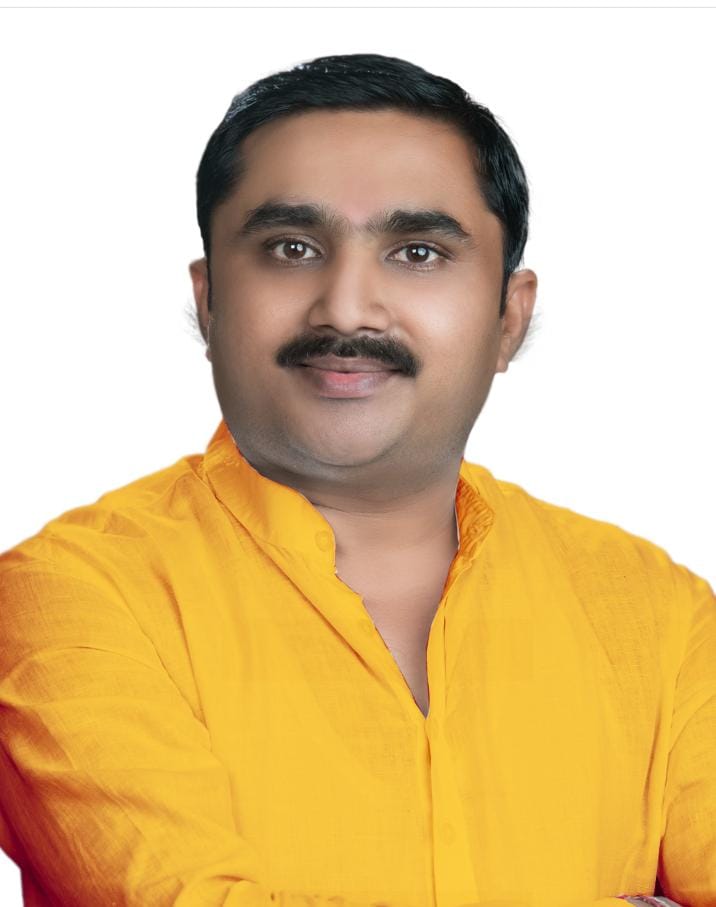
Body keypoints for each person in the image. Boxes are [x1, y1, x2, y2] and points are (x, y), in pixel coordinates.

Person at [0, 52, 711, 907]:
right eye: (291, 248)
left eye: (417, 252)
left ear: (508, 318)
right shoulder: (72, 595)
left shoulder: (660, 615)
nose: (344, 307)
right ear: (210, 299)